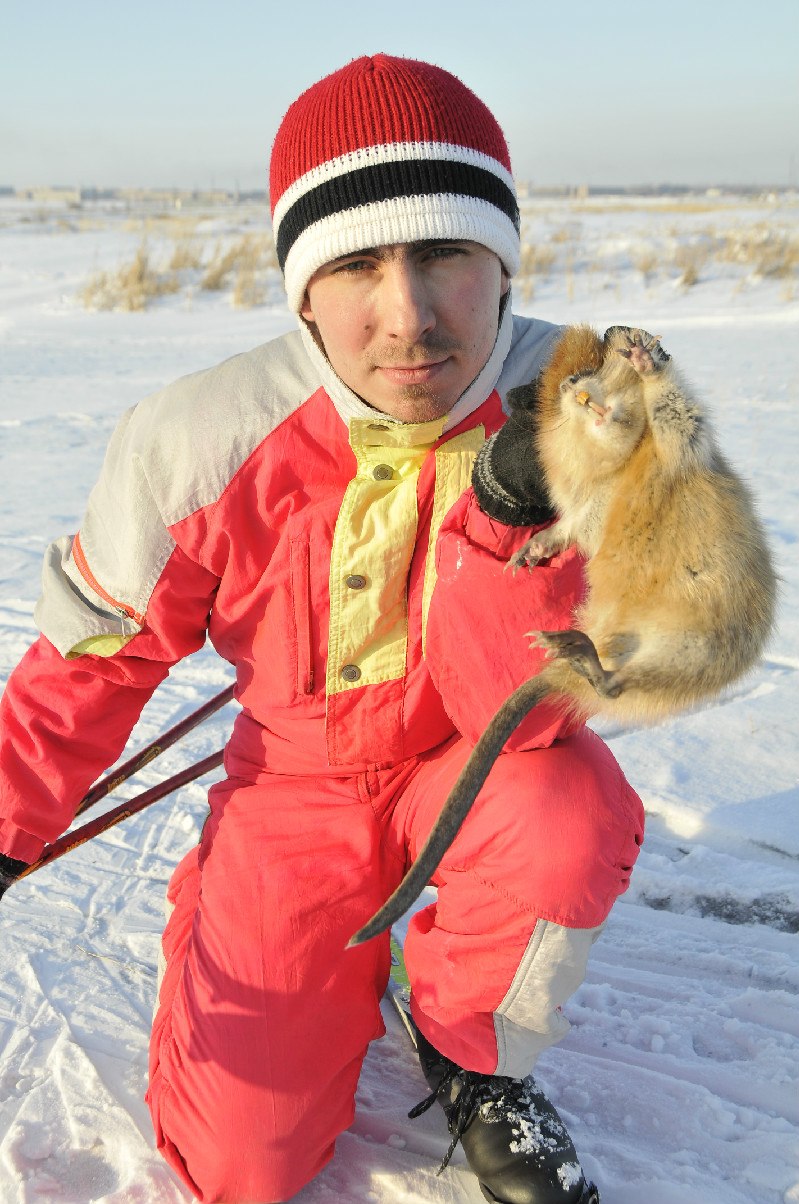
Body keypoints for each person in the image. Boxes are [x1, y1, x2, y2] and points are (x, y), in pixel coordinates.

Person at [0, 55, 644, 1204]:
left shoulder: (584, 406)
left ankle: (467, 1050)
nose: (408, 316)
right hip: (294, 787)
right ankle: (239, 918)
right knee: (239, 1168)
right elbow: (95, 661)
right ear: (301, 292)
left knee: (566, 808)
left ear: (502, 263)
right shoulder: (197, 439)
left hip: (486, 758)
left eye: (446, 252)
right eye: (355, 262)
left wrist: (506, 521)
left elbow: (551, 697)